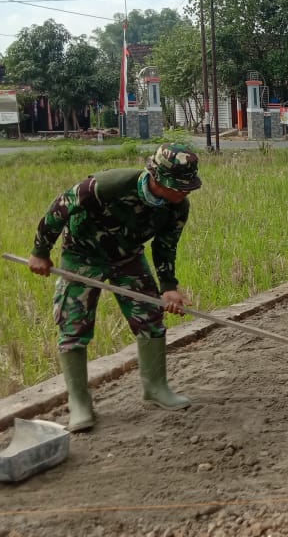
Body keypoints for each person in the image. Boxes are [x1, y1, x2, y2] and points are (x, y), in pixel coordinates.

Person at [26, 143, 202, 432]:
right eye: (178, 186)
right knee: (74, 325)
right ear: (157, 178)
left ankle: (156, 388)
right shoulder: (109, 185)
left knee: (150, 318)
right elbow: (61, 207)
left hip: (128, 257)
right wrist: (40, 251)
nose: (184, 192)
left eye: (187, 186)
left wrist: (168, 286)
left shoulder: (177, 207)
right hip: (82, 254)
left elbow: (165, 246)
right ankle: (80, 403)